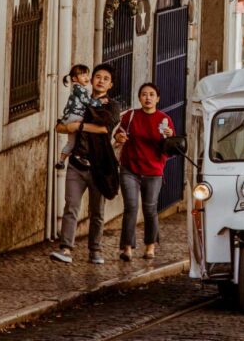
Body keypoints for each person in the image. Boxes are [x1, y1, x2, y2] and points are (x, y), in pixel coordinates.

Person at [50, 63, 121, 265]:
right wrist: (68, 126)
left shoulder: (112, 105)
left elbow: (105, 128)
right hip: (76, 163)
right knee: (71, 206)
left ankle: (95, 250)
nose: (100, 81)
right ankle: (65, 248)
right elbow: (61, 126)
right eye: (97, 76)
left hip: (99, 166)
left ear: (111, 84)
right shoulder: (80, 98)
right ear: (91, 79)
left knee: (97, 211)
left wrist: (79, 125)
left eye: (105, 78)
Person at [115, 83, 175, 262]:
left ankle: (150, 246)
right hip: (130, 169)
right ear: (139, 97)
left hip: (153, 171)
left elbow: (171, 148)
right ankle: (127, 248)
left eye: (151, 94)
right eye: (143, 94)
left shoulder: (164, 119)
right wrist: (119, 136)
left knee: (150, 210)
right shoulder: (130, 116)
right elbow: (119, 133)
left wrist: (169, 136)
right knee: (131, 207)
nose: (147, 98)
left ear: (158, 98)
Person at [56, 63, 106, 170]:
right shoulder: (80, 89)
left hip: (69, 118)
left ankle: (61, 161)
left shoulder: (75, 89)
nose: (86, 78)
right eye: (82, 75)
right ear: (74, 78)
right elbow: (86, 101)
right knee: (88, 125)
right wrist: (100, 102)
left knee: (71, 142)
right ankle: (81, 155)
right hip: (76, 116)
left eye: (87, 75)